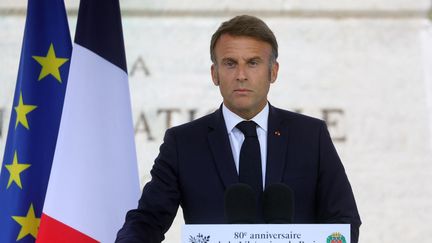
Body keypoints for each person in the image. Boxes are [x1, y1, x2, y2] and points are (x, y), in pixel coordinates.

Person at [116, 15, 361, 243]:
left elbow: (343, 220)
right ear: (215, 74)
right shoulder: (183, 142)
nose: (241, 75)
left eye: (253, 63)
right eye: (230, 63)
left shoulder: (310, 136)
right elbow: (147, 220)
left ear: (273, 72)